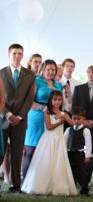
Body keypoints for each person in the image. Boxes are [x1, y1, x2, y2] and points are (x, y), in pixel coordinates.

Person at [21, 90, 77, 195]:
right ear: (51, 100)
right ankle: (42, 185)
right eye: (55, 99)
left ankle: (57, 186)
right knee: (46, 161)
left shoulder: (64, 113)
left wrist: (72, 119)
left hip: (59, 141)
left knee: (58, 162)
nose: (57, 102)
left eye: (59, 100)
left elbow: (72, 124)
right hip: (48, 140)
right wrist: (60, 121)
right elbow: (49, 127)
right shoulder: (47, 112)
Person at [0, 43, 36, 192]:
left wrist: (20, 116)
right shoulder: (1, 73)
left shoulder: (30, 75)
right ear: (9, 55)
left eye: (20, 53)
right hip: (3, 119)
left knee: (17, 153)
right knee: (0, 152)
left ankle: (16, 185)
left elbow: (29, 98)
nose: (17, 56)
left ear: (23, 55)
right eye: (14, 53)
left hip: (21, 120)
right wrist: (8, 114)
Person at [22, 59, 62, 178]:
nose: (50, 72)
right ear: (43, 70)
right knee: (31, 149)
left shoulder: (58, 85)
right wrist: (44, 108)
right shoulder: (36, 81)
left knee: (46, 151)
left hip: (52, 119)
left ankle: (40, 180)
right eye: (48, 69)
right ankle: (25, 180)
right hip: (36, 117)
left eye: (53, 70)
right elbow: (29, 101)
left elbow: (61, 102)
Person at [72, 65, 93, 184]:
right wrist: (82, 121)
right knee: (78, 153)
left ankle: (86, 181)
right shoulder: (78, 89)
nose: (91, 74)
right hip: (80, 126)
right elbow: (74, 107)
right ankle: (76, 179)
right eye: (89, 72)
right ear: (87, 74)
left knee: (91, 153)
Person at [64, 106, 93, 195]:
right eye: (74, 118)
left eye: (79, 119)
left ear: (83, 119)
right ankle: (72, 189)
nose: (76, 121)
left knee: (81, 173)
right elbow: (64, 142)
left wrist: (87, 156)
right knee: (71, 172)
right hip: (70, 153)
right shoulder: (69, 130)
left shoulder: (86, 130)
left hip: (80, 154)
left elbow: (88, 144)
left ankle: (84, 189)